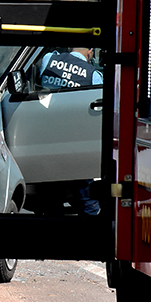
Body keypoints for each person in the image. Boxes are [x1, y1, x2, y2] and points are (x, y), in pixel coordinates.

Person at [38, 47, 102, 216]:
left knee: (52, 193)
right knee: (86, 192)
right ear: (90, 50)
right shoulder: (93, 75)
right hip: (79, 141)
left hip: (48, 138)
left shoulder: (49, 60)